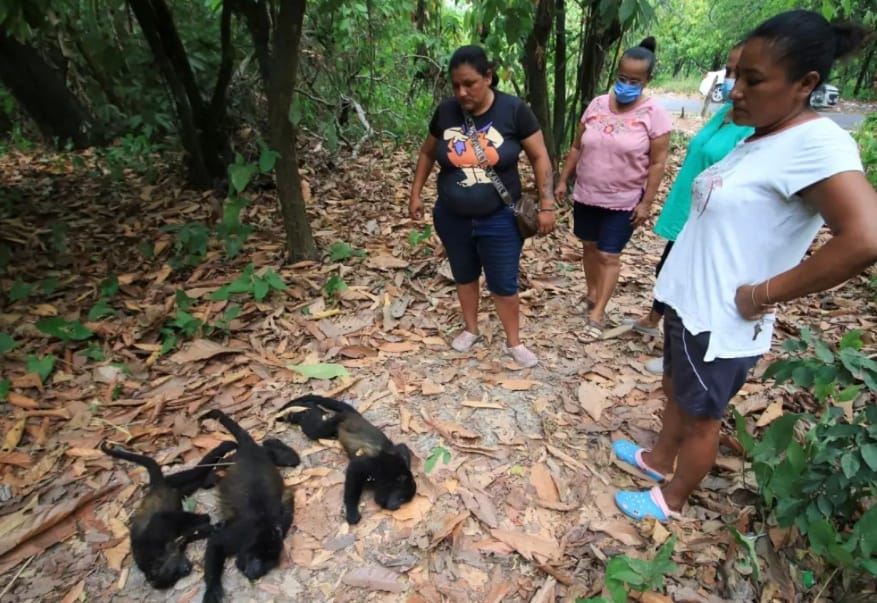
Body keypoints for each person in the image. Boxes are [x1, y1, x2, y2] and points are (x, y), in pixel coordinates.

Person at [612, 10, 877, 522]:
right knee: (675, 391)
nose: (735, 90)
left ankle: (672, 498)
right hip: (690, 303)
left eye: (753, 80)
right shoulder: (763, 134)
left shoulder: (818, 143)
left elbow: (865, 236)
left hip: (723, 318)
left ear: (806, 84)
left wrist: (763, 294)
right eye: (735, 76)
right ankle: (657, 460)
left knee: (701, 415)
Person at [408, 45, 556, 368]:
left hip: (500, 216)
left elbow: (540, 156)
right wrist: (415, 193)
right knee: (464, 274)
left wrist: (547, 203)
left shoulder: (515, 111)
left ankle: (514, 341)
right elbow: (427, 153)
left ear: (488, 77)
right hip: (452, 216)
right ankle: (470, 329)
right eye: (456, 85)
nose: (462, 92)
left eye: (470, 84)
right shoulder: (446, 112)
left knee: (503, 282)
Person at [625, 43, 754, 375]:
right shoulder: (725, 113)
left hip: (714, 223)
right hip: (689, 211)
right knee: (669, 274)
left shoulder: (756, 127)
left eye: (741, 74)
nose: (732, 82)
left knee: (690, 287)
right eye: (729, 71)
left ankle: (677, 357)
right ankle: (660, 330)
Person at [555, 37, 672, 341]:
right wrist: (563, 179)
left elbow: (657, 163)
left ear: (648, 80)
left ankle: (598, 313)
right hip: (587, 194)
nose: (626, 85)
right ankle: (593, 294)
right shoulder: (596, 105)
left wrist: (646, 202)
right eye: (622, 78)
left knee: (609, 255)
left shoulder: (654, 113)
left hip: (623, 200)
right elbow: (578, 147)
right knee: (590, 247)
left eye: (635, 80)